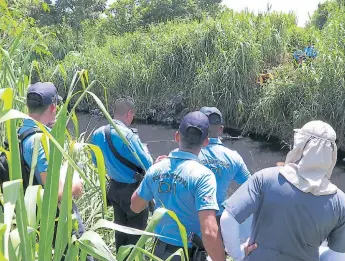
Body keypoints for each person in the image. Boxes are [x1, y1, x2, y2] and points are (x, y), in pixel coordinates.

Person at [220, 120, 345, 261]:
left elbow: (227, 219)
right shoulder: (340, 202)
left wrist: (238, 254)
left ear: (300, 145)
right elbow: (337, 257)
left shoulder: (265, 178)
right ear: (331, 154)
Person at [130, 111, 226, 261]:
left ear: (176, 136)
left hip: (157, 251)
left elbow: (135, 206)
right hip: (187, 254)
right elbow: (209, 231)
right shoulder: (204, 176)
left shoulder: (157, 169)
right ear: (206, 142)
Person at [20, 82, 91, 260]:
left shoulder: (21, 130)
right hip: (59, 220)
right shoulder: (40, 140)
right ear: (53, 107)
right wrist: (75, 185)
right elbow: (56, 192)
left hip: (37, 216)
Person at [91, 97, 153, 252]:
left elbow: (95, 161)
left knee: (120, 229)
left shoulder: (98, 133)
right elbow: (148, 164)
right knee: (136, 233)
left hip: (114, 189)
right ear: (129, 113)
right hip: (133, 190)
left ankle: (120, 256)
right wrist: (144, 149)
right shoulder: (128, 135)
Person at [198, 107, 252, 241]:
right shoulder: (234, 157)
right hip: (218, 220)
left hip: (191, 217)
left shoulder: (189, 152)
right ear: (221, 129)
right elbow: (251, 187)